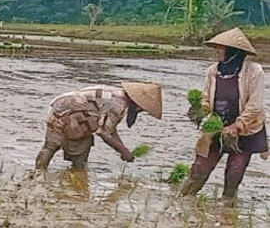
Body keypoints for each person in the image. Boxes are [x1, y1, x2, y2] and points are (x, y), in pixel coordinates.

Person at [181, 27, 267, 199]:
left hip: (246, 129)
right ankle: (184, 199)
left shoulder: (254, 71)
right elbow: (207, 98)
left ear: (233, 51)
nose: (217, 51)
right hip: (217, 126)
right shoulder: (213, 71)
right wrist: (200, 110)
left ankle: (227, 206)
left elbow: (255, 105)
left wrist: (237, 125)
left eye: (221, 48)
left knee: (234, 172)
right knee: (199, 168)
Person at [35, 82, 162, 170]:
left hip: (81, 118)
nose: (140, 111)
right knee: (51, 145)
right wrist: (123, 151)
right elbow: (103, 133)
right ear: (138, 105)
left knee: (85, 144)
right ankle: (38, 174)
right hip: (65, 110)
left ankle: (77, 176)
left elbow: (110, 129)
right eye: (142, 109)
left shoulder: (120, 98)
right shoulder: (118, 104)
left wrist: (123, 148)